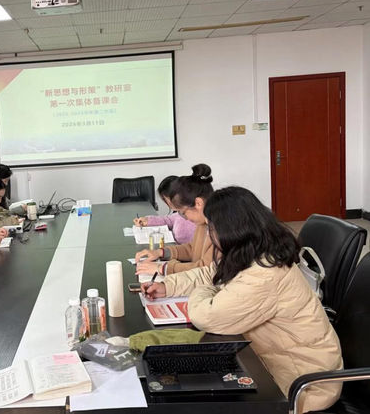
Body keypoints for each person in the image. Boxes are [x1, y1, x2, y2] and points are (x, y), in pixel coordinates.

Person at [142, 186, 343, 413]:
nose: (210, 235)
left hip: (303, 382)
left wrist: (207, 289)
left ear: (232, 229)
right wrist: (168, 285)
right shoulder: (255, 250)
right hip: (272, 360)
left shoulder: (266, 273)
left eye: (212, 228)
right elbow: (211, 272)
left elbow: (205, 316)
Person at [134, 164, 214, 276]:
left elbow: (206, 269)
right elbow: (192, 249)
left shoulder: (220, 228)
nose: (185, 218)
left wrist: (163, 268)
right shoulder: (203, 222)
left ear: (198, 203)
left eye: (183, 212)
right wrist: (160, 252)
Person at [133, 175, 196, 244]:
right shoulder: (180, 212)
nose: (167, 203)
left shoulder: (195, 216)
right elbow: (169, 220)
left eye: (165, 199)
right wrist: (148, 221)